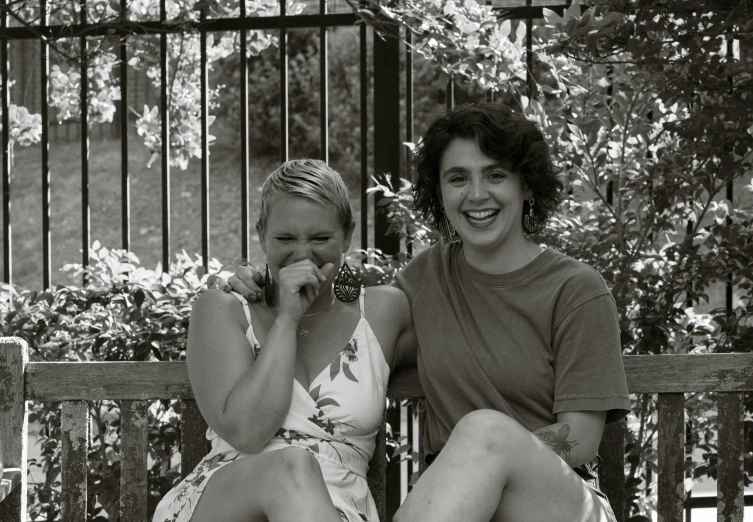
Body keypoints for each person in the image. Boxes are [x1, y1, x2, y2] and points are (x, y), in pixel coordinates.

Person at [227, 102, 631, 521]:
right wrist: (271, 278)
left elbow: (581, 438)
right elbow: (348, 303)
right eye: (458, 178)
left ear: (526, 185)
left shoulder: (576, 290)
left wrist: (478, 463)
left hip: (554, 504)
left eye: (495, 174)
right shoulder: (427, 277)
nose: (476, 194)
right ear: (439, 192)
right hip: (459, 509)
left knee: (483, 431)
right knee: (479, 438)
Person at [153, 159, 416, 522]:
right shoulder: (222, 310)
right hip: (230, 504)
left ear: (349, 235)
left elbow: (468, 340)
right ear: (262, 235)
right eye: (284, 239)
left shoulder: (384, 313)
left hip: (335, 510)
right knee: (291, 466)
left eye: (321, 238)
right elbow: (248, 434)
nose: (303, 254)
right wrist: (287, 318)